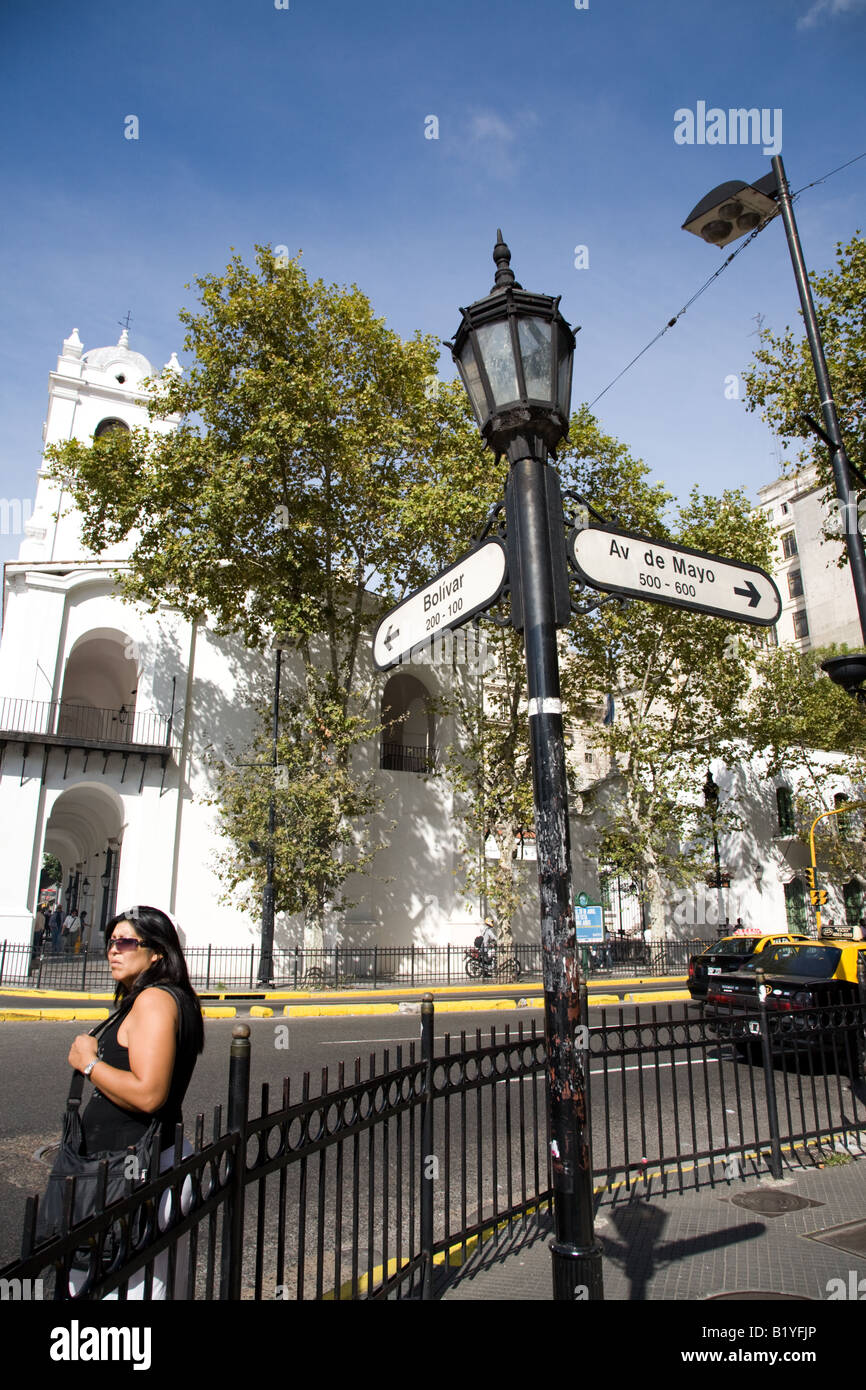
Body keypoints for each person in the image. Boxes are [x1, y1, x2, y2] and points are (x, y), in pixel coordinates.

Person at [66, 905, 204, 1298]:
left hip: (136, 1173)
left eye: (126, 942)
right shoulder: (155, 998)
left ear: (157, 952)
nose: (114, 950)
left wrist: (88, 1063)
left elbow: (149, 1094)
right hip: (135, 1166)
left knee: (117, 1286)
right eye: (111, 942)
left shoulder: (155, 1001)